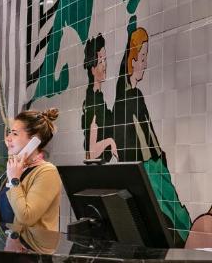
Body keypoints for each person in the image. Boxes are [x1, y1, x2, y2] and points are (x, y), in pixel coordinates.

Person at [113, 27, 191, 241]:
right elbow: (146, 143)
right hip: (150, 169)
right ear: (132, 59)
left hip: (148, 168)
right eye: (143, 57)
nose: (145, 64)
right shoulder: (131, 98)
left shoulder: (127, 98)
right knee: (172, 214)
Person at [0, 109, 63, 232]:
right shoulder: (18, 169)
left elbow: (26, 218)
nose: (8, 138)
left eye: (14, 134)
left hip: (33, 249)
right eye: (9, 133)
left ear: (34, 140)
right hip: (10, 247)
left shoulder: (47, 172)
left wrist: (14, 180)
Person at [81, 34, 118, 162]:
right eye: (101, 61)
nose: (105, 65)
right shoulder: (94, 100)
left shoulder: (98, 98)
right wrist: (111, 142)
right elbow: (92, 153)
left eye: (105, 60)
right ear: (92, 69)